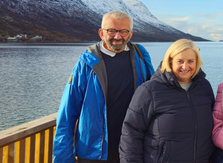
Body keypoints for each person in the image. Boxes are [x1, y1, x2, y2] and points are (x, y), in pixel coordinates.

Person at [53, 10, 155, 163]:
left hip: (131, 150)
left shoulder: (140, 56)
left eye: (123, 31)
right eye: (112, 31)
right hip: (93, 152)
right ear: (101, 33)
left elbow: (156, 94)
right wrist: (63, 158)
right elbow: (68, 112)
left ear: (130, 34)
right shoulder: (86, 63)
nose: (117, 36)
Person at [119, 39, 215, 163]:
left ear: (197, 62)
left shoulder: (204, 87)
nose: (185, 67)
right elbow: (131, 133)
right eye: (180, 61)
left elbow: (213, 127)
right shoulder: (149, 90)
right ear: (170, 61)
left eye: (190, 61)